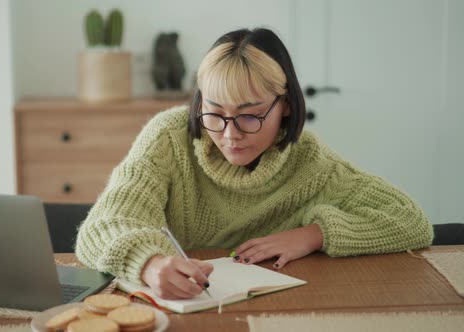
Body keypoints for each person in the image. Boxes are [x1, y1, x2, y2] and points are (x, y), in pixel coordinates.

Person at [75, 28, 433, 300]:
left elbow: (410, 220)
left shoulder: (312, 163)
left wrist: (313, 235)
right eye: (214, 113)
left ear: (286, 105)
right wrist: (149, 264)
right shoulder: (169, 137)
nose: (230, 134)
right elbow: (102, 227)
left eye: (249, 116)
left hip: (277, 309)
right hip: (176, 310)